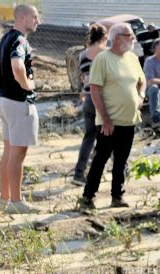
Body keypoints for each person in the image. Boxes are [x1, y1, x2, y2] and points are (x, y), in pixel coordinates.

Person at [78, 23, 146, 210]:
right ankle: (88, 196)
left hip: (129, 119)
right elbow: (94, 89)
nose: (134, 39)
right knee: (101, 158)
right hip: (109, 121)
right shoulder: (103, 59)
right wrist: (105, 119)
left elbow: (142, 81)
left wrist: (140, 96)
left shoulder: (132, 58)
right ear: (117, 38)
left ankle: (117, 196)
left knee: (121, 160)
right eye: (130, 35)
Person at [0, 4, 41, 214]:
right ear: (22, 17)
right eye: (34, 16)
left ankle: (4, 199)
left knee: (8, 151)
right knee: (18, 153)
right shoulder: (20, 40)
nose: (37, 21)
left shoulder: (6, 38)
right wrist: (27, 85)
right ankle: (16, 200)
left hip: (3, 100)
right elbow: (17, 65)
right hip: (18, 101)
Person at [72, 23, 108, 186]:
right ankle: (120, 169)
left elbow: (82, 77)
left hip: (88, 99)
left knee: (89, 137)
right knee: (109, 136)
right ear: (103, 37)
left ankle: (79, 173)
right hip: (102, 99)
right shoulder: (106, 54)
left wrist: (82, 92)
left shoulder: (83, 55)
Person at [143, 37, 160, 127]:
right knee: (154, 88)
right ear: (156, 49)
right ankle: (155, 120)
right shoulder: (150, 61)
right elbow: (150, 81)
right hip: (154, 92)